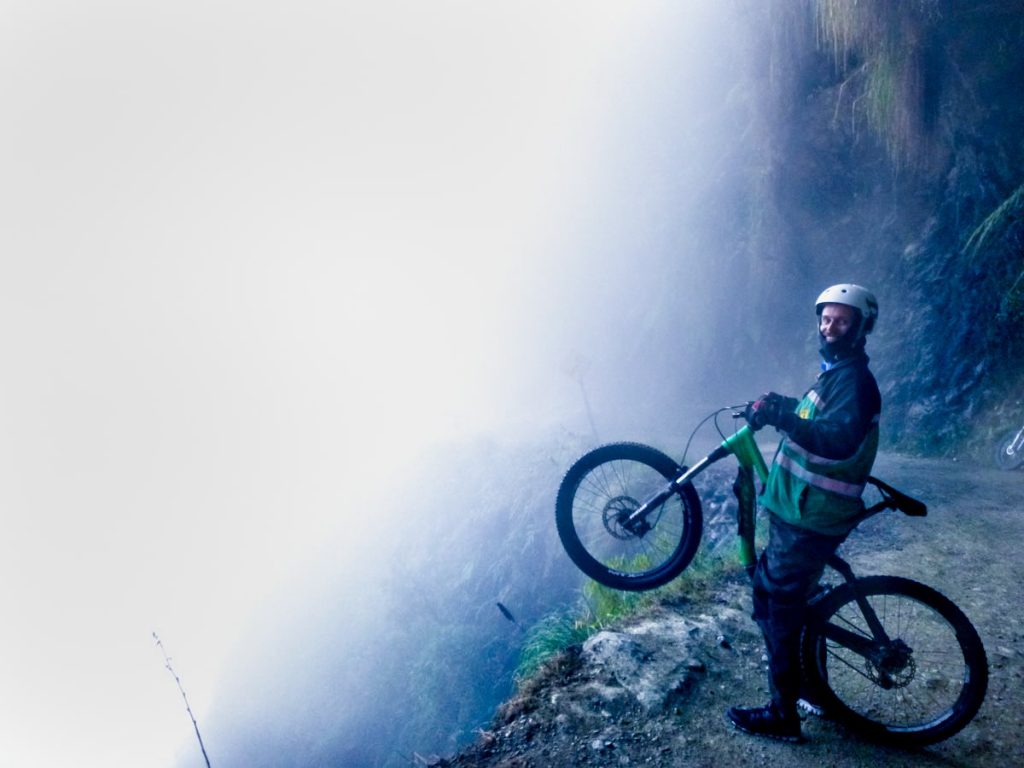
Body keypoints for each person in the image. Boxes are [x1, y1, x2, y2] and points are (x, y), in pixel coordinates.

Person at [726, 283, 882, 742]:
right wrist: (780, 405)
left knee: (777, 607)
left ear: (859, 328)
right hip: (801, 510)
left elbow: (837, 438)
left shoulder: (853, 381)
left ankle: (782, 715)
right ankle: (810, 686)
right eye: (825, 319)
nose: (829, 327)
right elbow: (817, 420)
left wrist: (784, 418)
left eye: (841, 321)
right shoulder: (836, 374)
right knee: (778, 596)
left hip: (811, 515)